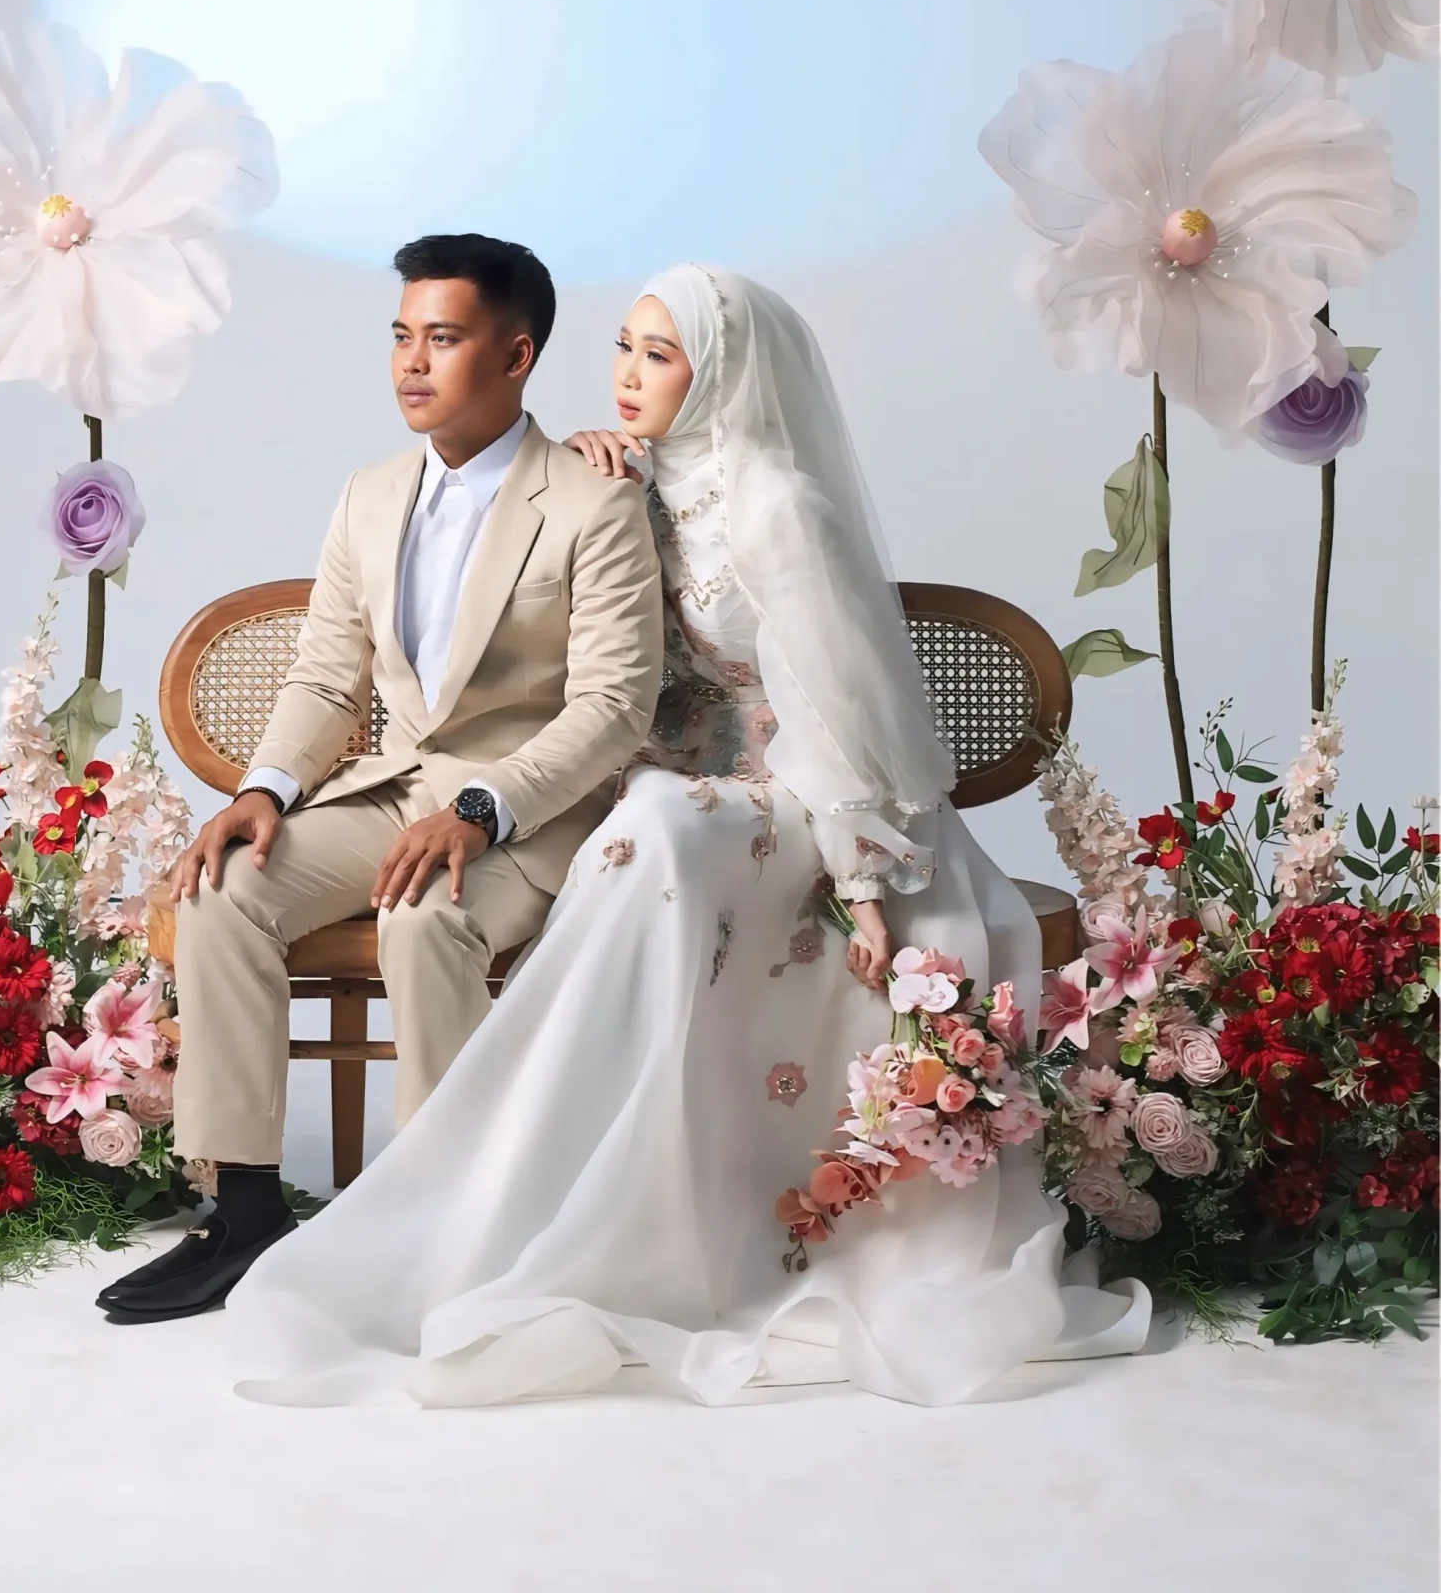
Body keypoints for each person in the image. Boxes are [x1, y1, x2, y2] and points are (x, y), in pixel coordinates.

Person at [223, 265, 1149, 1405]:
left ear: (722, 374)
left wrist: (861, 884)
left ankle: (582, 1209)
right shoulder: (623, 476)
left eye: (659, 356)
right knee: (646, 817)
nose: (626, 374)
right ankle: (508, 1189)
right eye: (623, 346)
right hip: (662, 788)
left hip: (793, 793)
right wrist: (596, 471)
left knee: (654, 823)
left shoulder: (778, 506)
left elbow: (834, 711)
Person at [96, 232, 664, 1326]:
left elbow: (612, 707)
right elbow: (326, 676)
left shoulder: (592, 502)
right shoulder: (368, 495)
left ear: (516, 354)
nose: (411, 361)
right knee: (222, 889)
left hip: (527, 812)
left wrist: (484, 808)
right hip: (392, 789)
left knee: (425, 921)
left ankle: (450, 1218)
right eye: (402, 336)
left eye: (442, 338)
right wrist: (264, 788)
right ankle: (244, 1214)